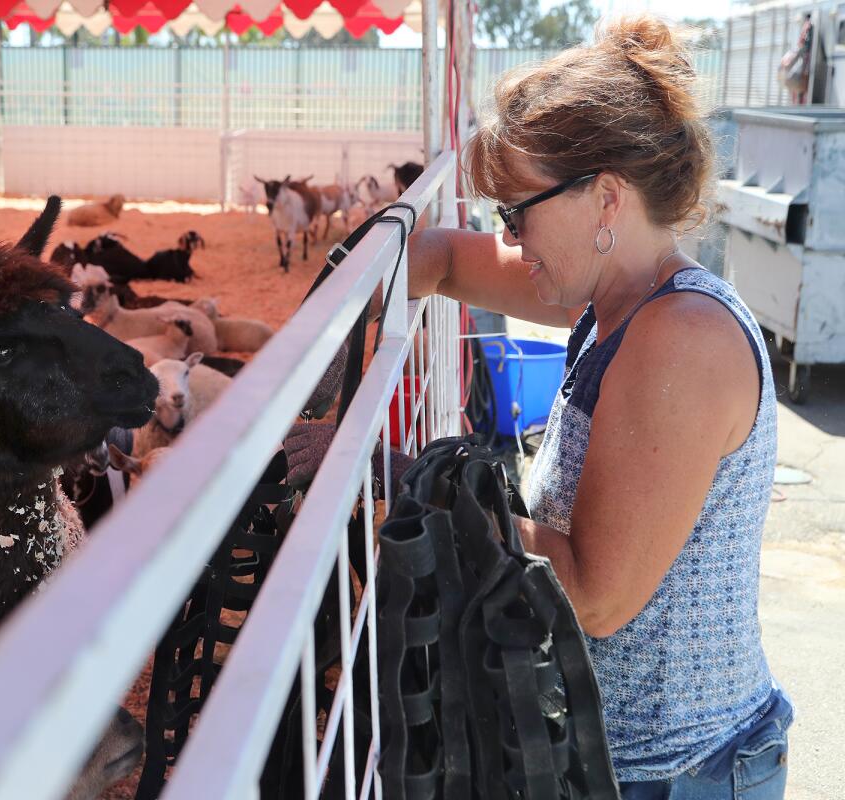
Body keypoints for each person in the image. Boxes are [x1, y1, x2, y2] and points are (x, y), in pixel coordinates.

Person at [289, 14, 793, 799]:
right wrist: (340, 308)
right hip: (616, 762)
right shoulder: (615, 291)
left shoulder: (679, 341)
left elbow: (596, 592)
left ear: (605, 201)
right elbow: (448, 258)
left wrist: (397, 477)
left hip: (673, 774)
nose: (511, 235)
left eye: (518, 211)